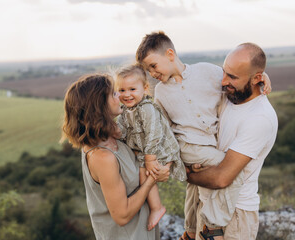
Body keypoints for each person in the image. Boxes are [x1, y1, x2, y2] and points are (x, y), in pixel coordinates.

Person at [135, 31, 272, 240]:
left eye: (153, 65)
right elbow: (164, 128)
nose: (152, 73)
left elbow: (221, 177)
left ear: (170, 54)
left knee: (205, 181)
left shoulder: (208, 72)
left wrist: (262, 77)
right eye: (147, 69)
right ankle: (206, 227)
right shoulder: (161, 92)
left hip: (237, 208)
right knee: (212, 175)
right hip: (188, 147)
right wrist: (169, 160)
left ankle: (192, 229)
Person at [62, 73, 171, 240]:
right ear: (99, 106)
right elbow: (122, 216)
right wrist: (153, 179)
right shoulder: (101, 157)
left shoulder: (114, 136)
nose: (119, 95)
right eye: (113, 93)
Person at [187, 43, 277, 239]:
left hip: (235, 214)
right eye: (225, 72)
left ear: (257, 78)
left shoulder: (260, 118)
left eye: (233, 77)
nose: (223, 81)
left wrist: (182, 173)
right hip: (207, 204)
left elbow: (222, 178)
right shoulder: (230, 94)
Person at [115, 64, 187, 231]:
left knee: (144, 173)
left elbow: (154, 133)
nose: (127, 94)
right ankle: (152, 205)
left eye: (132, 89)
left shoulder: (147, 108)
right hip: (146, 151)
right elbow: (122, 129)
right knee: (141, 173)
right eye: (122, 90)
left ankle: (157, 208)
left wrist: (150, 158)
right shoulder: (126, 110)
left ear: (145, 88)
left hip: (160, 149)